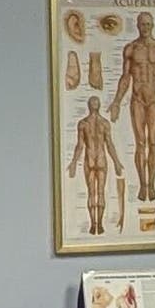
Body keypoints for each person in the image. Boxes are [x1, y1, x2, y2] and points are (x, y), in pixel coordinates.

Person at [115, 14, 155, 205]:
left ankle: (151, 184)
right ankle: (143, 184)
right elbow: (125, 77)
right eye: (143, 24)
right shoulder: (131, 49)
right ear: (138, 25)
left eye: (149, 24)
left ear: (153, 25)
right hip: (137, 99)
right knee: (140, 142)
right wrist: (117, 101)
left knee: (153, 142)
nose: (146, 27)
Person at [66, 96, 118, 238]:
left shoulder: (84, 123)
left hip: (91, 159)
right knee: (98, 193)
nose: (95, 104)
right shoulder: (102, 123)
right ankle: (97, 224)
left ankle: (96, 224)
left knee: (94, 193)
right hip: (99, 158)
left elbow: (81, 145)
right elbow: (81, 145)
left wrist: (117, 162)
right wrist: (73, 162)